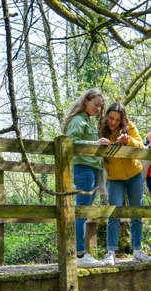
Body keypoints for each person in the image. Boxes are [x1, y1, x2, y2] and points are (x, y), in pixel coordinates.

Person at [99, 102, 151, 265]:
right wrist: (100, 145)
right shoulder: (102, 129)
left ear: (122, 120)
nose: (113, 122)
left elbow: (142, 147)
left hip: (134, 175)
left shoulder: (129, 127)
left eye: (117, 119)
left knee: (136, 212)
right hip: (115, 179)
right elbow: (96, 152)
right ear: (107, 116)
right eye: (111, 118)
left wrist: (128, 140)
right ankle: (111, 252)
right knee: (114, 213)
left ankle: (137, 251)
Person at [63, 88, 109, 267]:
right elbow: (70, 142)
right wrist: (95, 143)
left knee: (85, 210)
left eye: (100, 106)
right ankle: (80, 255)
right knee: (81, 210)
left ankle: (81, 253)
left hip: (91, 168)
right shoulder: (78, 120)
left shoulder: (87, 121)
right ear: (86, 101)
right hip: (83, 168)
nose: (98, 109)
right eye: (95, 104)